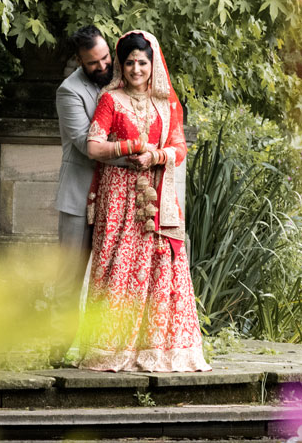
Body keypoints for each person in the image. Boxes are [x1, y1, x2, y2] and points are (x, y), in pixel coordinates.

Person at [77, 30, 210, 372]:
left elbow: (180, 149)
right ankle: (110, 349)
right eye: (130, 62)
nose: (137, 69)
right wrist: (131, 147)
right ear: (121, 66)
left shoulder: (166, 105)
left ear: (153, 65)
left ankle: (158, 351)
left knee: (159, 265)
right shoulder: (110, 100)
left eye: (143, 62)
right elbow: (94, 146)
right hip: (119, 194)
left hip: (155, 193)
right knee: (117, 265)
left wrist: (155, 157)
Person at [54, 25, 121, 321]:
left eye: (105, 57)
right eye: (93, 62)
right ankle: (59, 347)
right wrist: (131, 152)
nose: (102, 65)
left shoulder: (122, 76)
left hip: (117, 194)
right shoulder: (69, 91)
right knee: (70, 276)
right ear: (81, 61)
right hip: (78, 195)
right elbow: (85, 143)